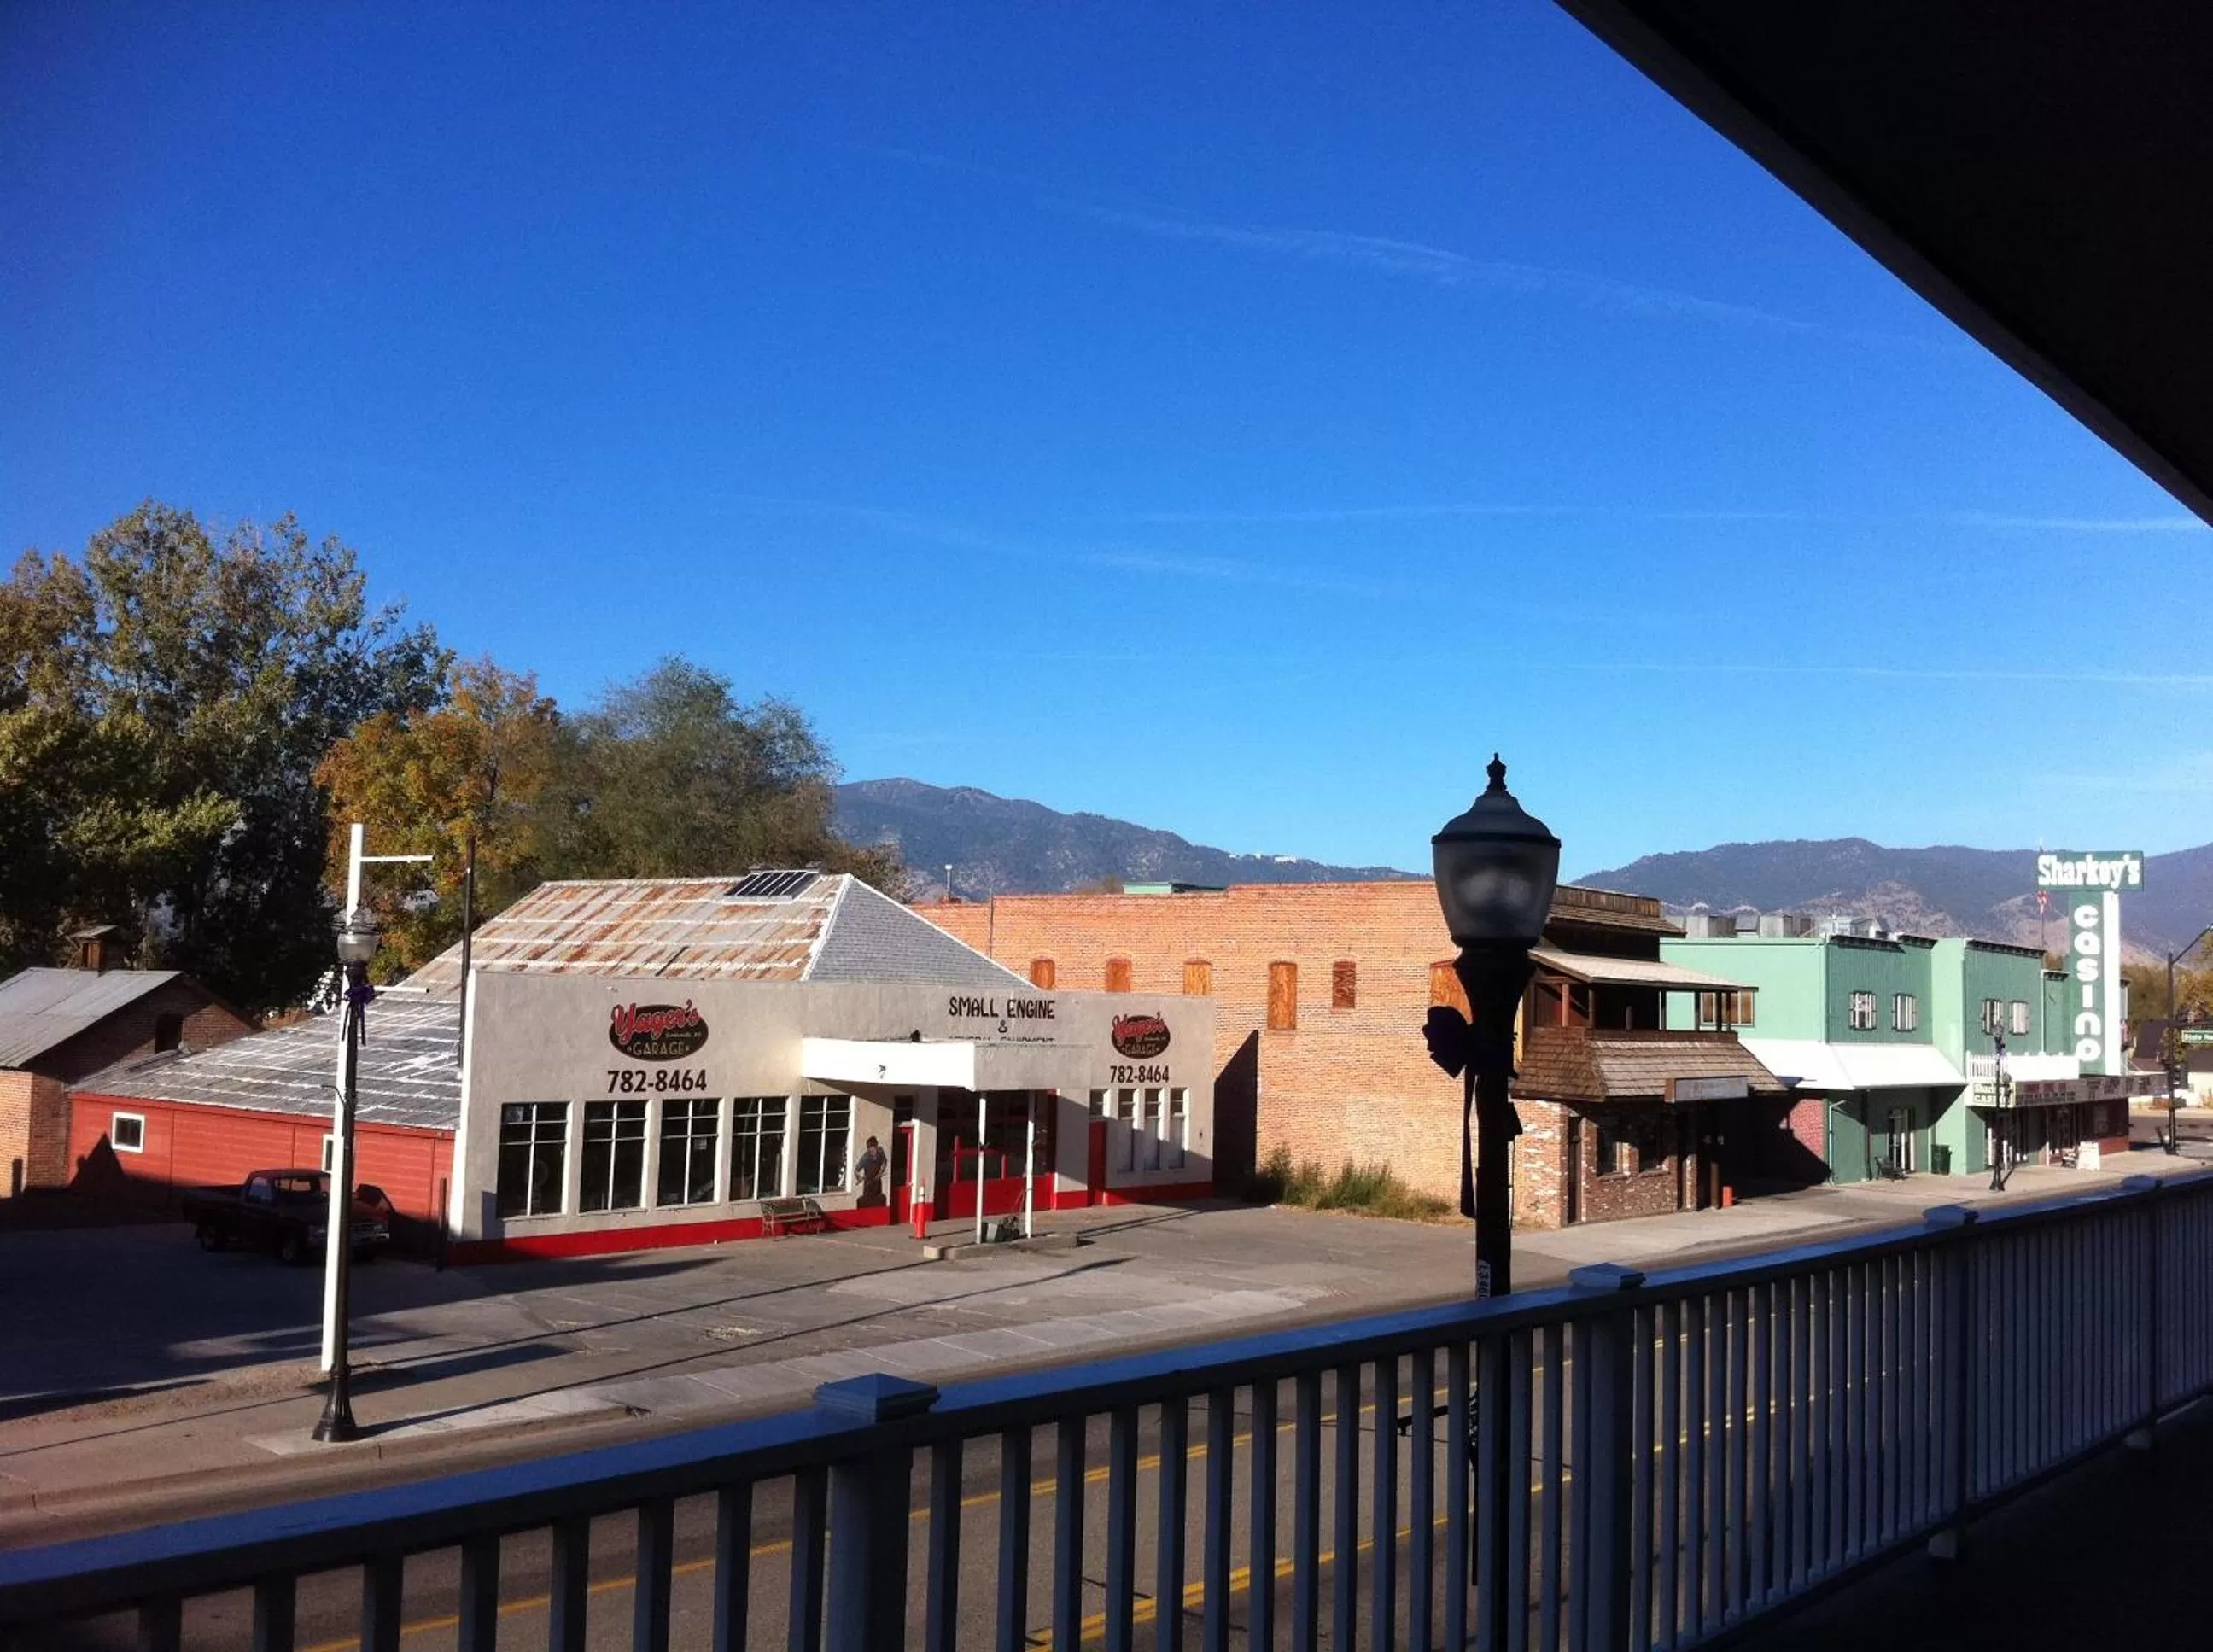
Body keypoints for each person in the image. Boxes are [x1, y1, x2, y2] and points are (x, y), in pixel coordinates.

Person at [855, 1135, 889, 1206]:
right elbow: (856, 1170)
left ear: (876, 1146)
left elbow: (884, 1161)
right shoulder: (865, 1158)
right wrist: (859, 1177)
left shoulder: (881, 1152)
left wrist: (880, 1172)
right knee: (868, 1203)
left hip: (877, 1182)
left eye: (874, 1150)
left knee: (879, 1201)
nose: (872, 1152)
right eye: (870, 1150)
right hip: (868, 1184)